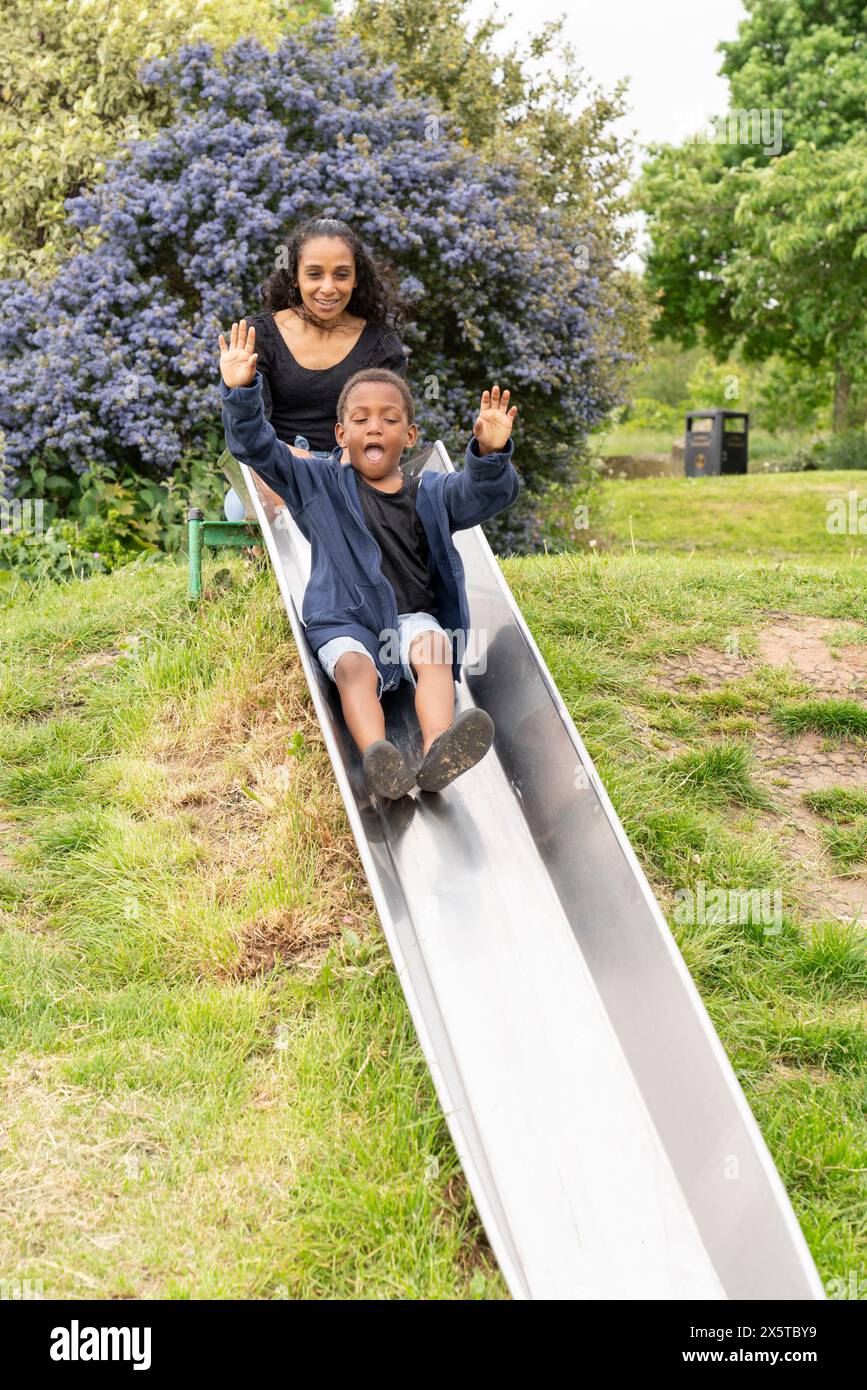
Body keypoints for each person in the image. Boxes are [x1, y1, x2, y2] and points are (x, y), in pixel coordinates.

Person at [218, 318, 520, 798]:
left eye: (389, 419)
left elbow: (481, 497)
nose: (374, 426)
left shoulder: (432, 493)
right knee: (354, 669)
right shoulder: (318, 485)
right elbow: (256, 448)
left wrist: (489, 452)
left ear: (411, 434)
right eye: (360, 419)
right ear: (341, 433)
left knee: (435, 650)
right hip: (343, 621)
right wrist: (241, 392)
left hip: (409, 617)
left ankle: (440, 750)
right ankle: (379, 757)